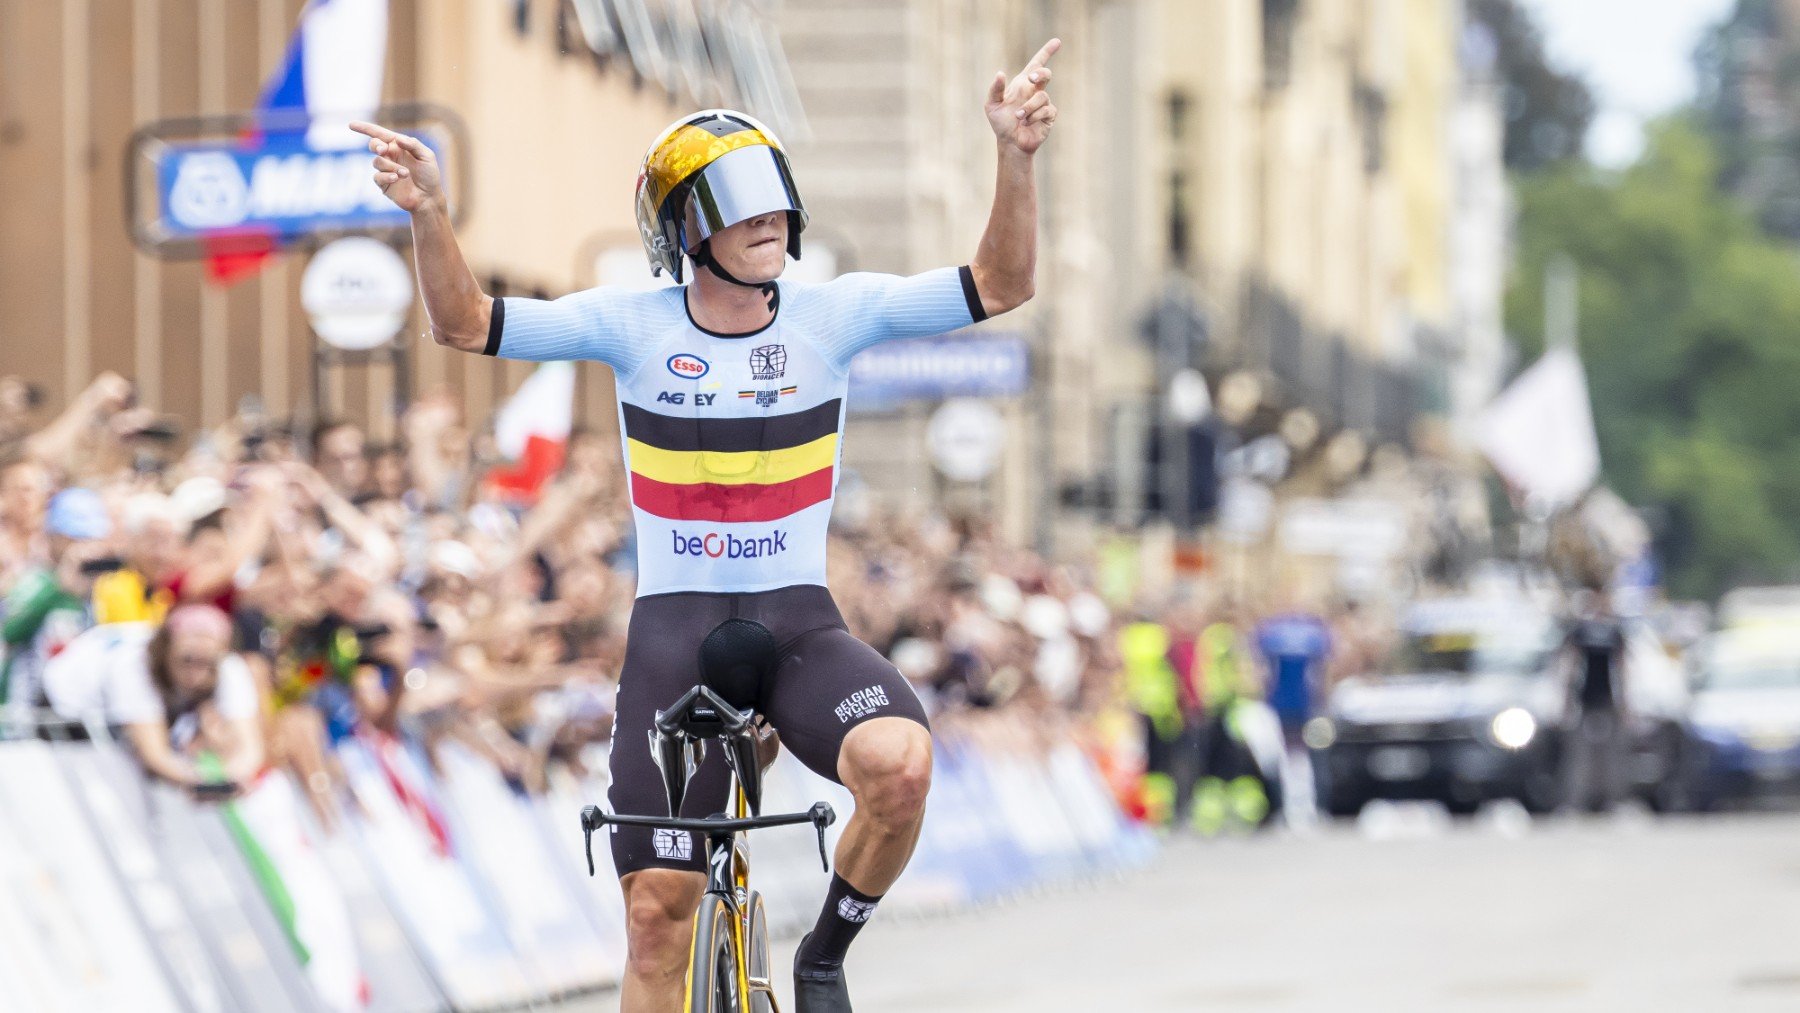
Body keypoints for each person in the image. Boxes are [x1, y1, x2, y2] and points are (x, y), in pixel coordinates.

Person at [354, 35, 1059, 1013]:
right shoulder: (630, 322)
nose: (768, 220)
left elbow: (1002, 281)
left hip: (797, 625)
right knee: (657, 914)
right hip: (676, 632)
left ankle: (820, 956)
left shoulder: (836, 315)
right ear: (688, 227)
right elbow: (464, 322)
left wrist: (1015, 156)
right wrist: (430, 213)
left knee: (899, 767)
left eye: (776, 200)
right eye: (742, 206)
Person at [41, 605, 263, 792]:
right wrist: (204, 782)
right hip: (59, 703)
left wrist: (229, 778)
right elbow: (154, 755)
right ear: (167, 648)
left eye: (205, 664)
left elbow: (249, 748)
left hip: (125, 706)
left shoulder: (229, 667)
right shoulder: (133, 665)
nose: (195, 674)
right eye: (188, 661)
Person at [1, 487, 112, 731]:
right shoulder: (35, 580)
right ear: (54, 536)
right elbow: (9, 631)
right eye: (74, 538)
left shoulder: (94, 590)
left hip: (70, 712)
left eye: (90, 538)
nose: (83, 547)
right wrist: (59, 588)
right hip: (21, 713)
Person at [1563, 586, 1627, 813]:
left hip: (1607, 697)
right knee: (1580, 753)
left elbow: (1622, 668)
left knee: (1611, 753)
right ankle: (1578, 799)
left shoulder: (1614, 631)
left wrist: (1626, 703)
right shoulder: (1581, 630)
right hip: (1585, 697)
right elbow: (1571, 665)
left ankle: (1611, 799)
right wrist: (1566, 699)